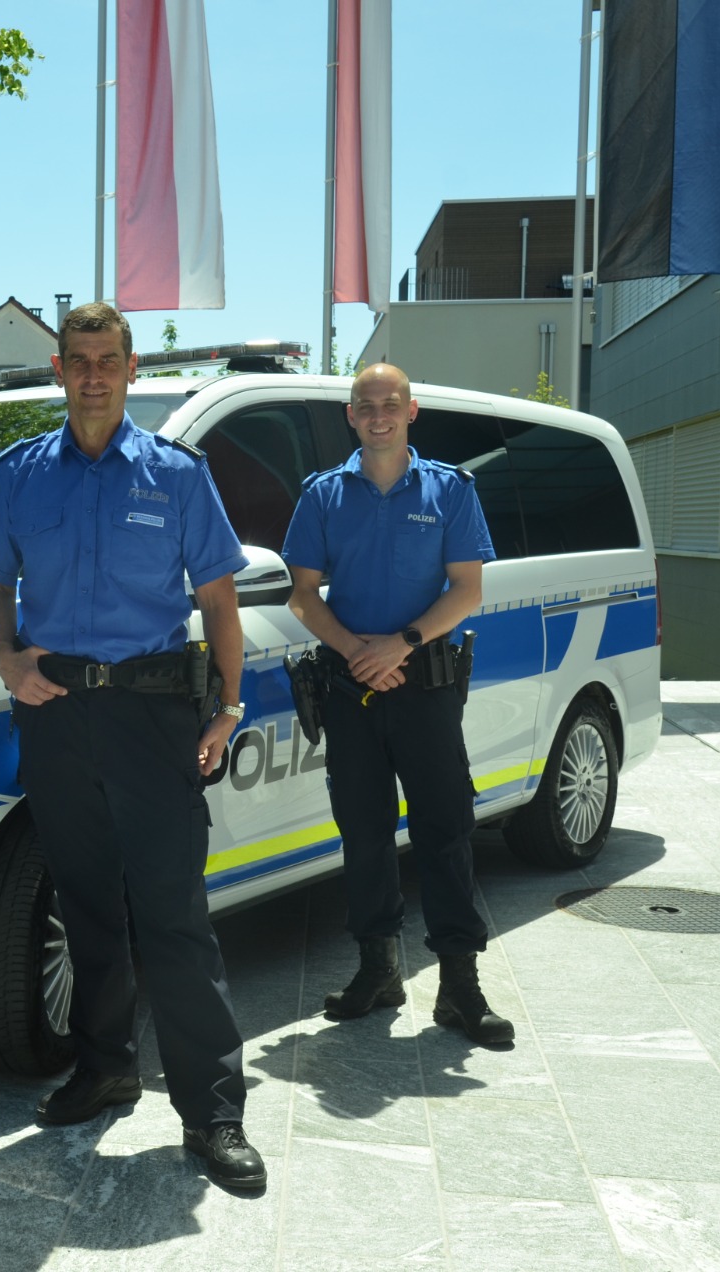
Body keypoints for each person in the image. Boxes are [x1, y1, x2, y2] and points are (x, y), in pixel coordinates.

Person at [0, 301, 266, 1190]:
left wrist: (228, 704)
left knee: (172, 915)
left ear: (132, 371)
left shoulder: (174, 474)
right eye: (79, 360)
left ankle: (213, 1112)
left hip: (153, 714)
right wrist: (7, 660)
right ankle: (104, 1069)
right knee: (85, 903)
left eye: (108, 359)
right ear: (58, 371)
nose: (93, 374)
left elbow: (217, 602)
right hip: (55, 713)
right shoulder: (20, 474)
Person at [281, 362, 515, 1045]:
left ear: (412, 412)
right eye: (365, 405)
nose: (378, 414)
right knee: (364, 830)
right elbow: (302, 595)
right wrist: (361, 654)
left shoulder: (449, 489)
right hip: (350, 688)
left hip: (426, 685)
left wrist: (402, 645)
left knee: (445, 830)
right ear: (350, 416)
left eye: (391, 403)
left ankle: (459, 987)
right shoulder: (323, 495)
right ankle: (377, 971)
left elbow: (467, 591)